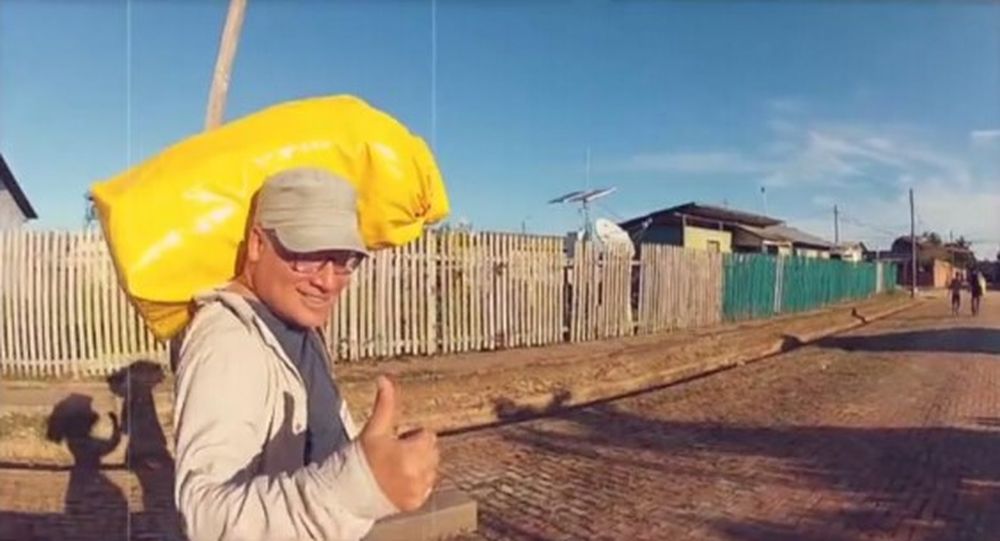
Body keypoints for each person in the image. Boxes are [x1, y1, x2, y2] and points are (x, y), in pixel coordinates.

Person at [172, 167, 439, 541]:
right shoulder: (228, 342)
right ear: (257, 244)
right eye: (308, 255)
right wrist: (359, 488)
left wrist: (374, 458)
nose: (328, 282)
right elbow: (204, 520)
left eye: (343, 259)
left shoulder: (297, 326)